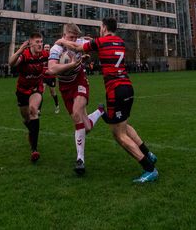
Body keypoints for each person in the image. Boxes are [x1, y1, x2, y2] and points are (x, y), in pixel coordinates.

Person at [57, 17, 158, 183]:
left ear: (104, 27)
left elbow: (76, 46)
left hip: (115, 90)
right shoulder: (119, 41)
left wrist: (61, 40)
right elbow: (97, 46)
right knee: (124, 125)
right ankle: (148, 154)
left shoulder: (102, 41)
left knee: (119, 134)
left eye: (100, 27)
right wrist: (92, 41)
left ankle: (149, 169)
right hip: (127, 87)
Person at [48, 23, 104, 176]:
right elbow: (52, 69)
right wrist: (71, 64)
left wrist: (85, 53)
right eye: (71, 37)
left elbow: (95, 45)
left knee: (76, 112)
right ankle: (100, 111)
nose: (74, 40)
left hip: (79, 80)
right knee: (87, 127)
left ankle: (80, 159)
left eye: (76, 37)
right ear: (64, 35)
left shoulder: (79, 43)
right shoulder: (56, 49)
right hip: (65, 87)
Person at [9, 33, 49, 162]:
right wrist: (20, 49)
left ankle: (34, 149)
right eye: (37, 41)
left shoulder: (44, 55)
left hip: (36, 88)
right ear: (30, 43)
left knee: (33, 110)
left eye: (41, 41)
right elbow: (11, 63)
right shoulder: (25, 55)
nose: (40, 44)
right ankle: (31, 129)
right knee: (26, 118)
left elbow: (56, 58)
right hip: (22, 90)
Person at [42, 44, 60, 114]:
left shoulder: (52, 55)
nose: (46, 48)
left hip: (51, 77)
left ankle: (57, 105)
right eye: (45, 47)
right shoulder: (41, 55)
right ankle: (38, 110)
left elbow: (56, 65)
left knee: (52, 92)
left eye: (48, 47)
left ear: (50, 48)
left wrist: (51, 71)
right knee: (41, 92)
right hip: (43, 77)